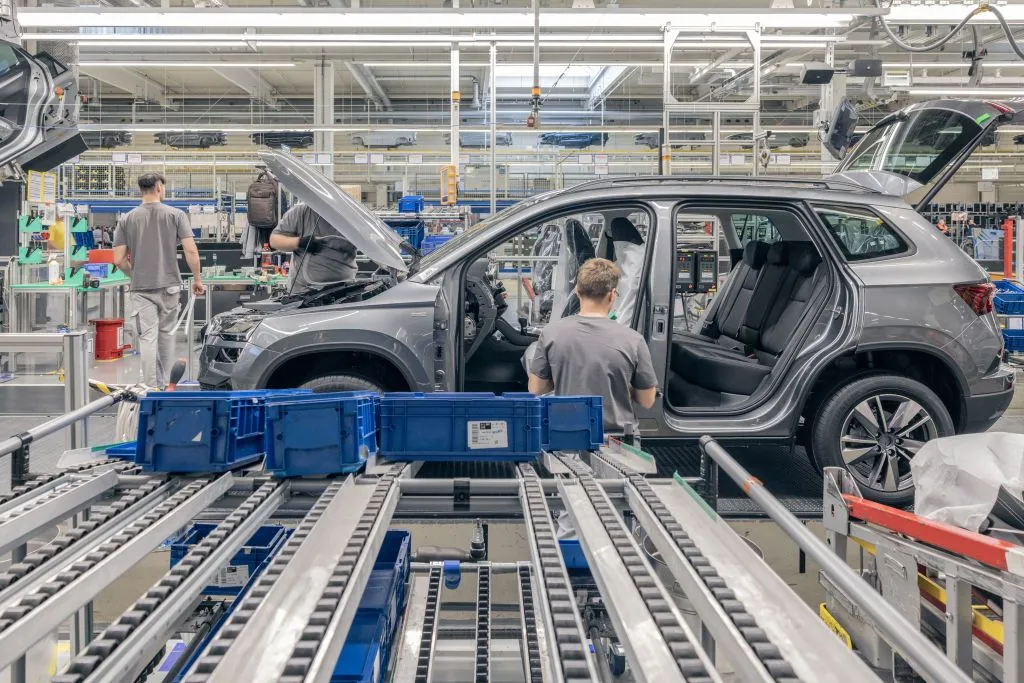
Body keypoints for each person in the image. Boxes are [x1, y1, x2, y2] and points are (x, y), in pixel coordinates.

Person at [527, 257, 658, 436]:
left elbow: (535, 389)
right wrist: (621, 383)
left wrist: (564, 378)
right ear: (612, 295)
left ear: (577, 291)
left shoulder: (551, 333)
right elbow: (647, 401)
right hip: (618, 440)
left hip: (567, 437)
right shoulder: (634, 340)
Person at [113, 173, 204, 388]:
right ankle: (167, 386)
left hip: (141, 289)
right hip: (170, 286)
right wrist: (197, 279)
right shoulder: (176, 215)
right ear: (158, 187)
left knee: (148, 338)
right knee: (166, 336)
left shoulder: (126, 219)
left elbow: (118, 259)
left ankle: (152, 387)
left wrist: (135, 275)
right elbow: (191, 251)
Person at [269, 202, 357, 294]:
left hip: (345, 290)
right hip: (304, 293)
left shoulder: (350, 216)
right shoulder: (300, 211)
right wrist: (300, 242)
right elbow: (274, 241)